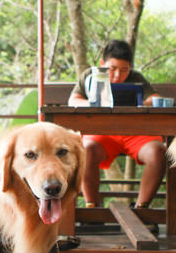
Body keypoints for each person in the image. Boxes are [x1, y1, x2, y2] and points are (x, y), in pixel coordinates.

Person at [67, 39, 167, 209]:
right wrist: (93, 103)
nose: (117, 76)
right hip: (101, 134)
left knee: (159, 151)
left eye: (124, 70)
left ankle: (142, 208)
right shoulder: (90, 76)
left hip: (135, 133)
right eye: (112, 69)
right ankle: (93, 207)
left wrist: (142, 103)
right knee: (86, 149)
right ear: (102, 64)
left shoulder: (136, 78)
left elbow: (154, 98)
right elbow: (73, 100)